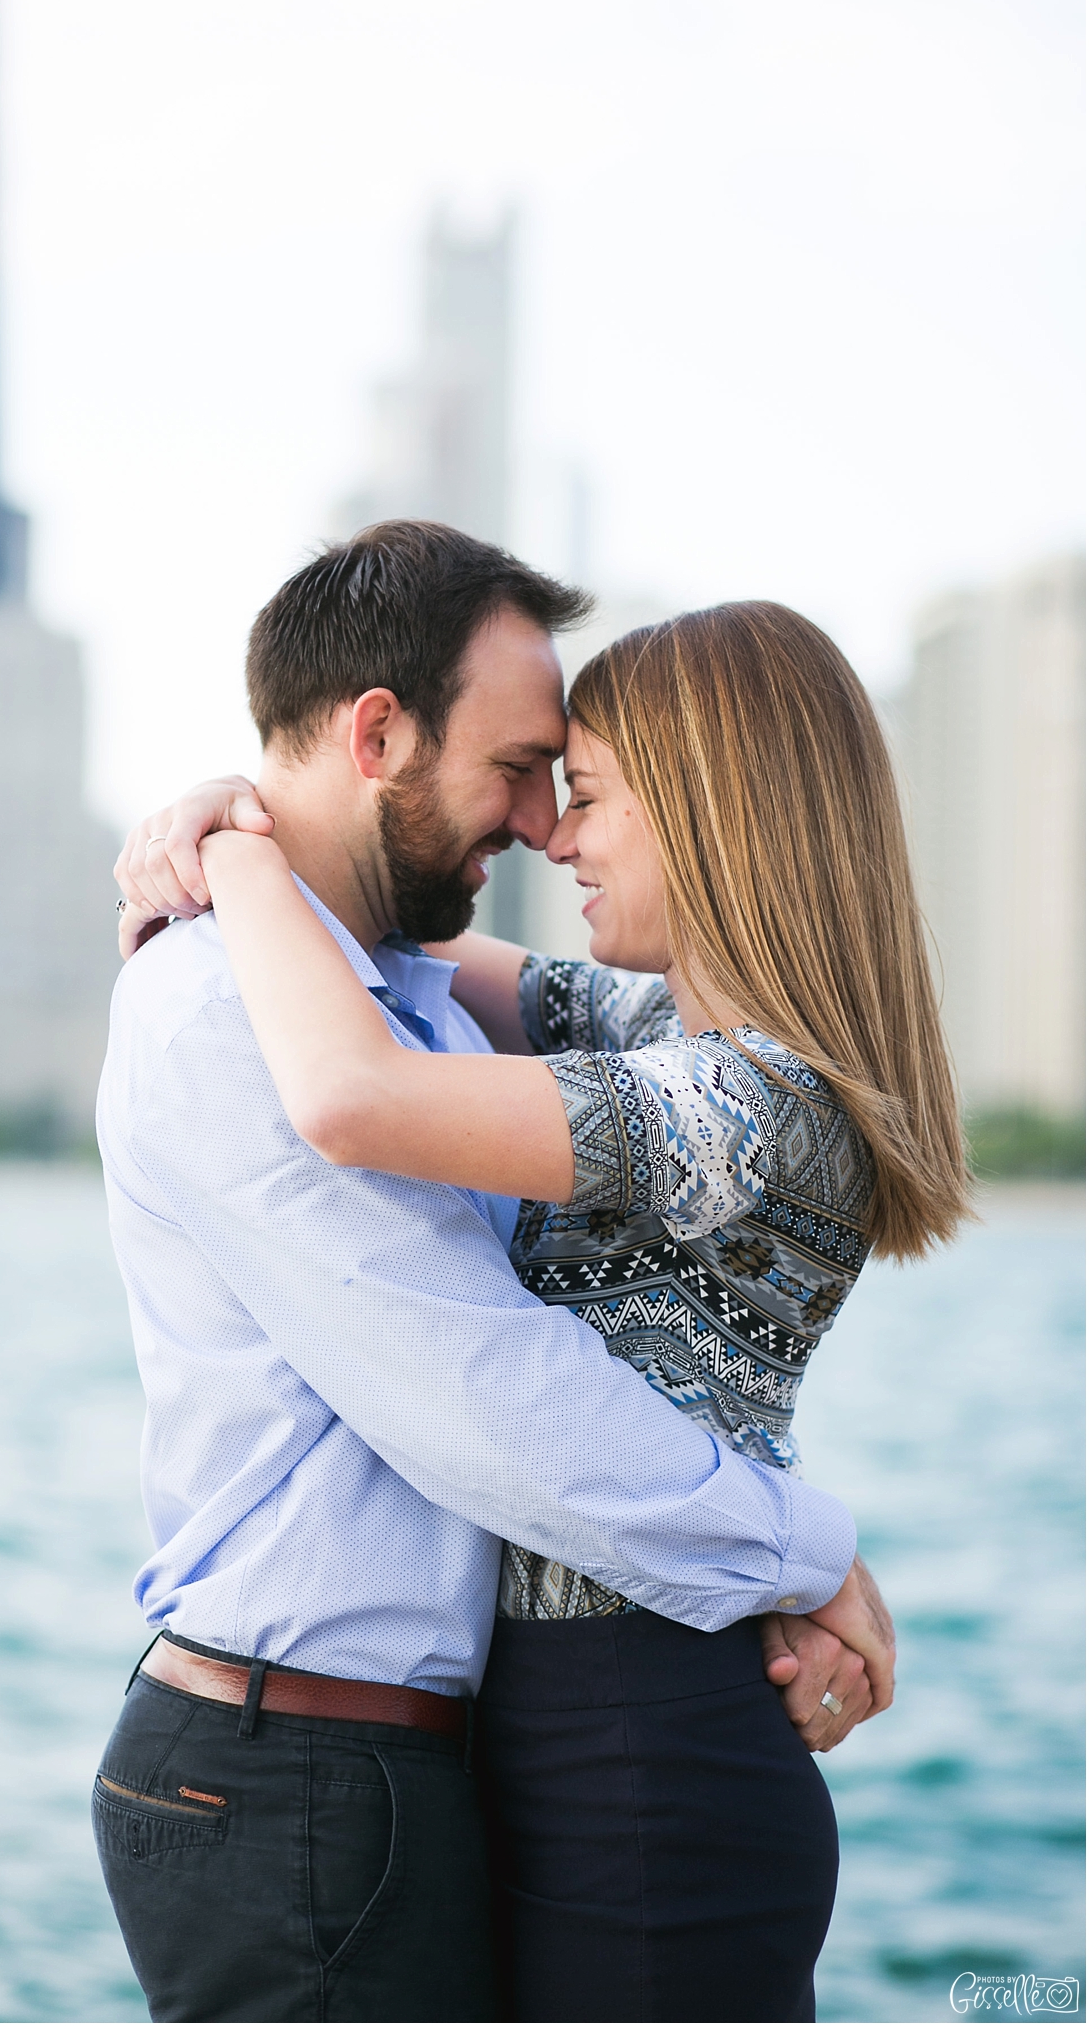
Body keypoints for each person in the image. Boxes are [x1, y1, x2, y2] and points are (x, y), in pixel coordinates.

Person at [118, 580, 970, 2024]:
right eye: (535, 781)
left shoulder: (743, 1103)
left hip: (648, 1731)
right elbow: (390, 952)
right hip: (568, 1715)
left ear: (712, 818)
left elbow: (350, 1086)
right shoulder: (658, 1031)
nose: (549, 833)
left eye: (588, 795)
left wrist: (243, 856)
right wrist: (229, 810)